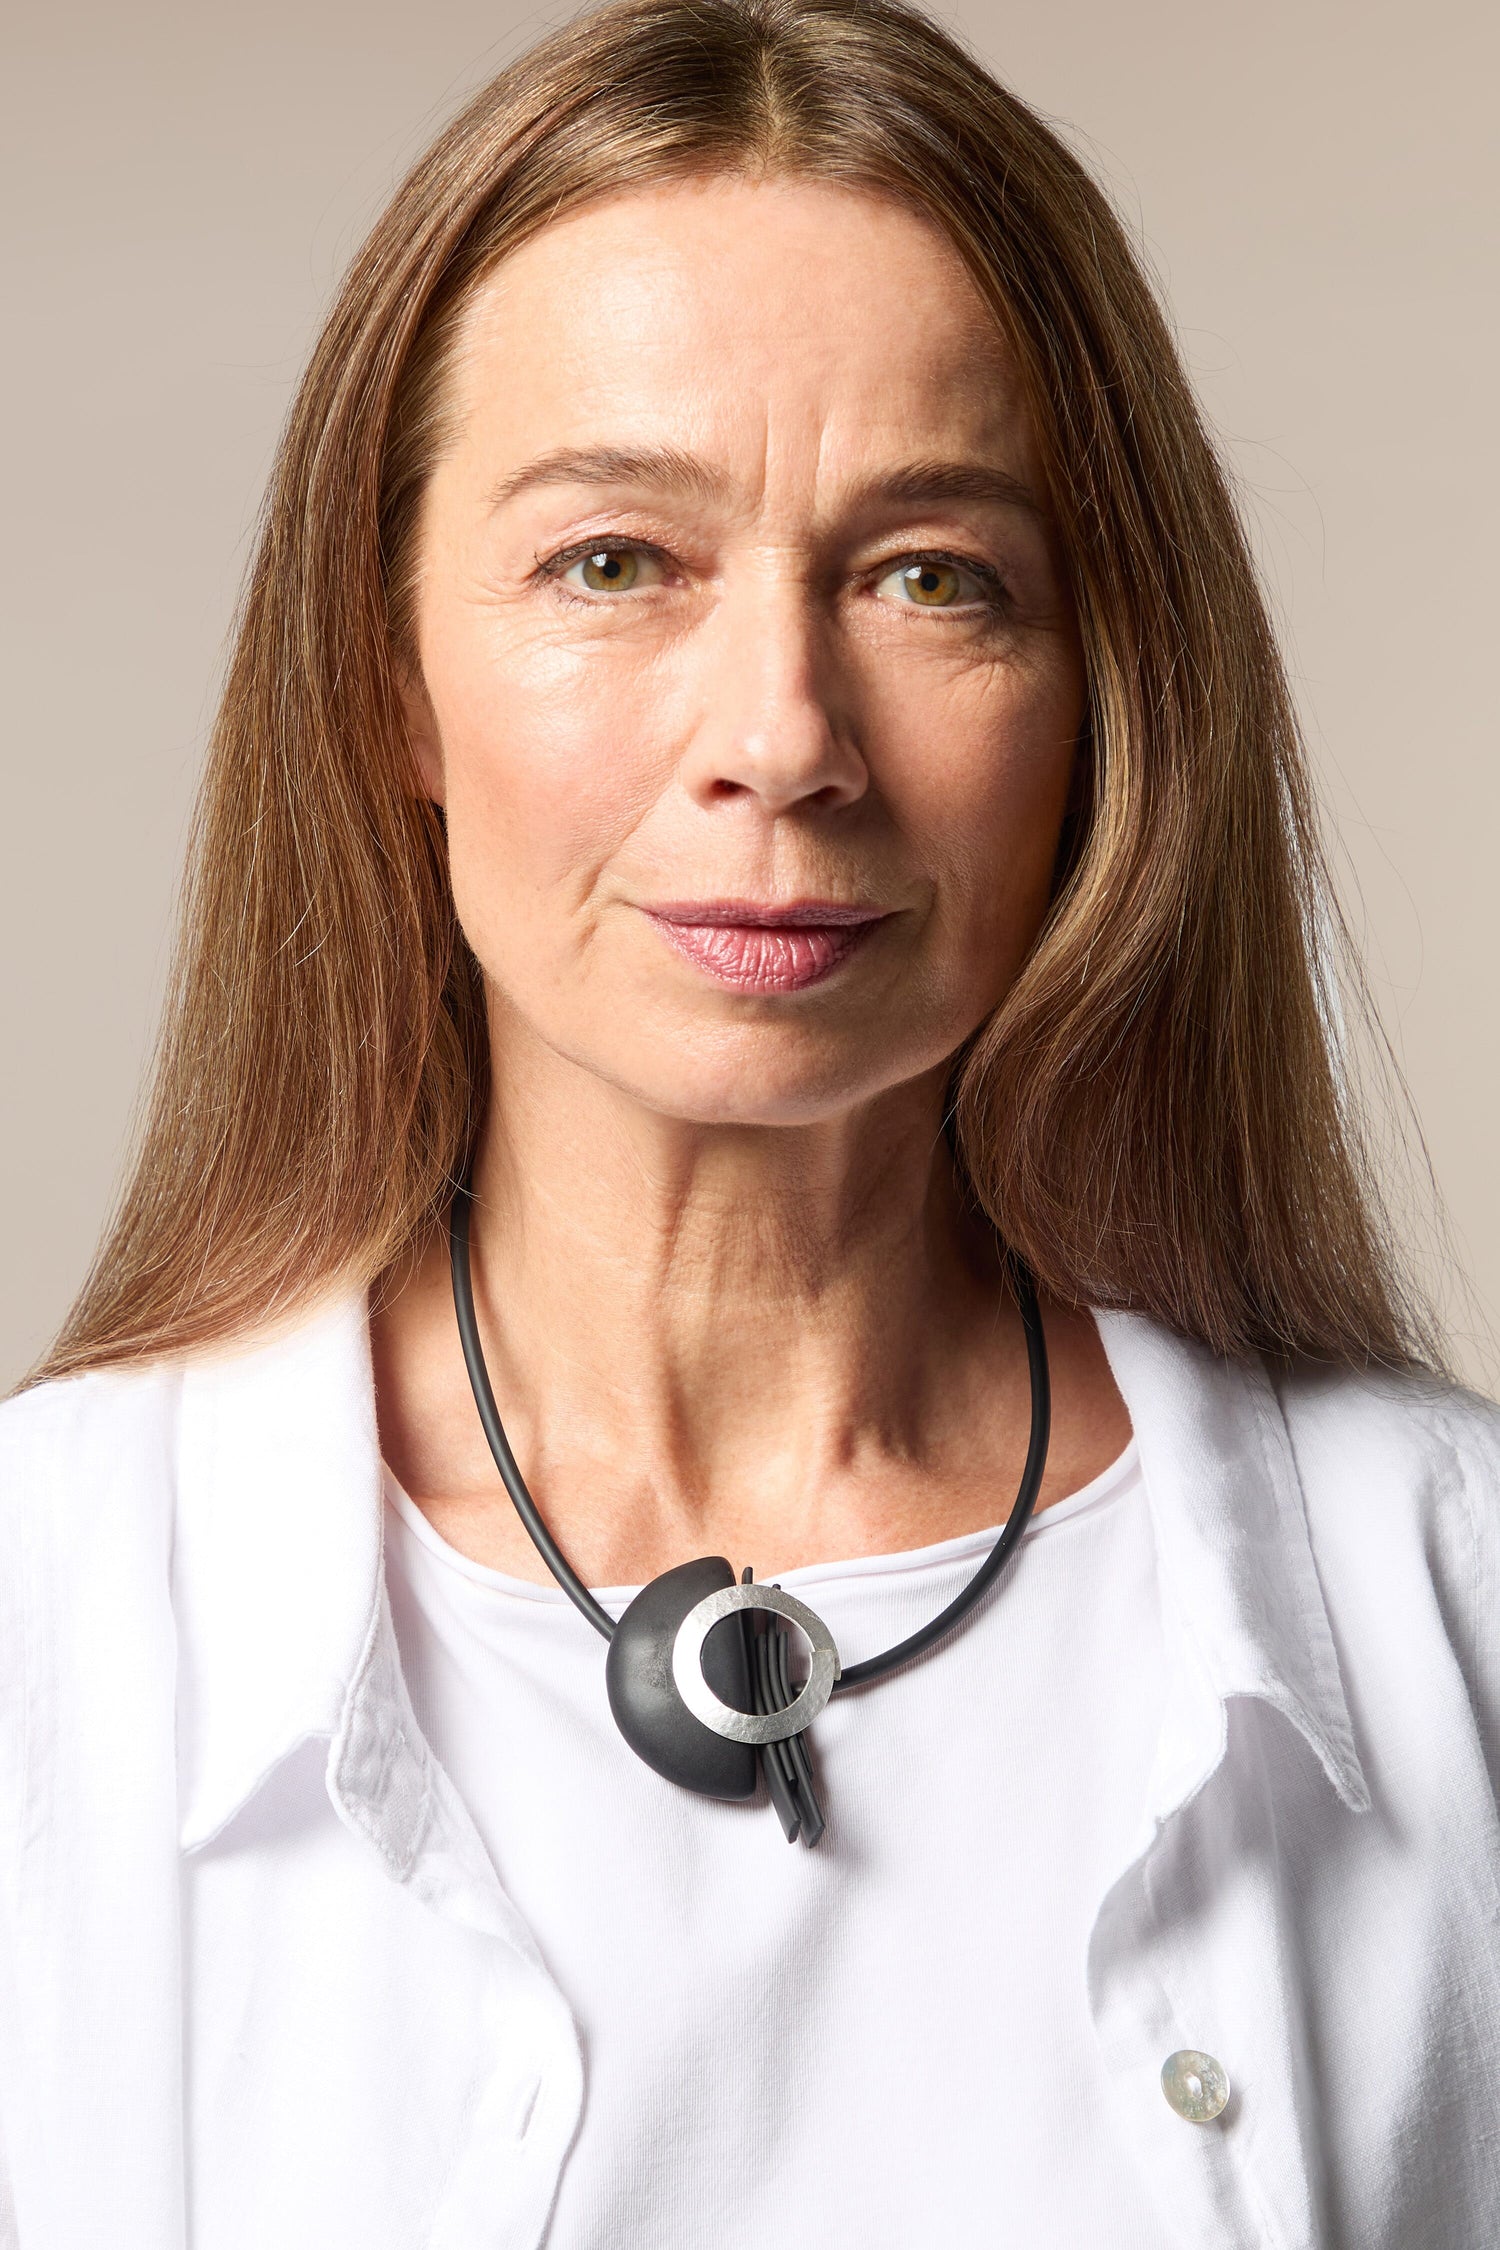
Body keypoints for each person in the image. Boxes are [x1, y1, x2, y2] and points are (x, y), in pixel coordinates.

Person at [2, 0, 1497, 2242]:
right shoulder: (49, 1626)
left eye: (933, 575)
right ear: (384, 673)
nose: (783, 739)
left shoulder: (1456, 1603)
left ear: (1104, 693)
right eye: (618, 562)